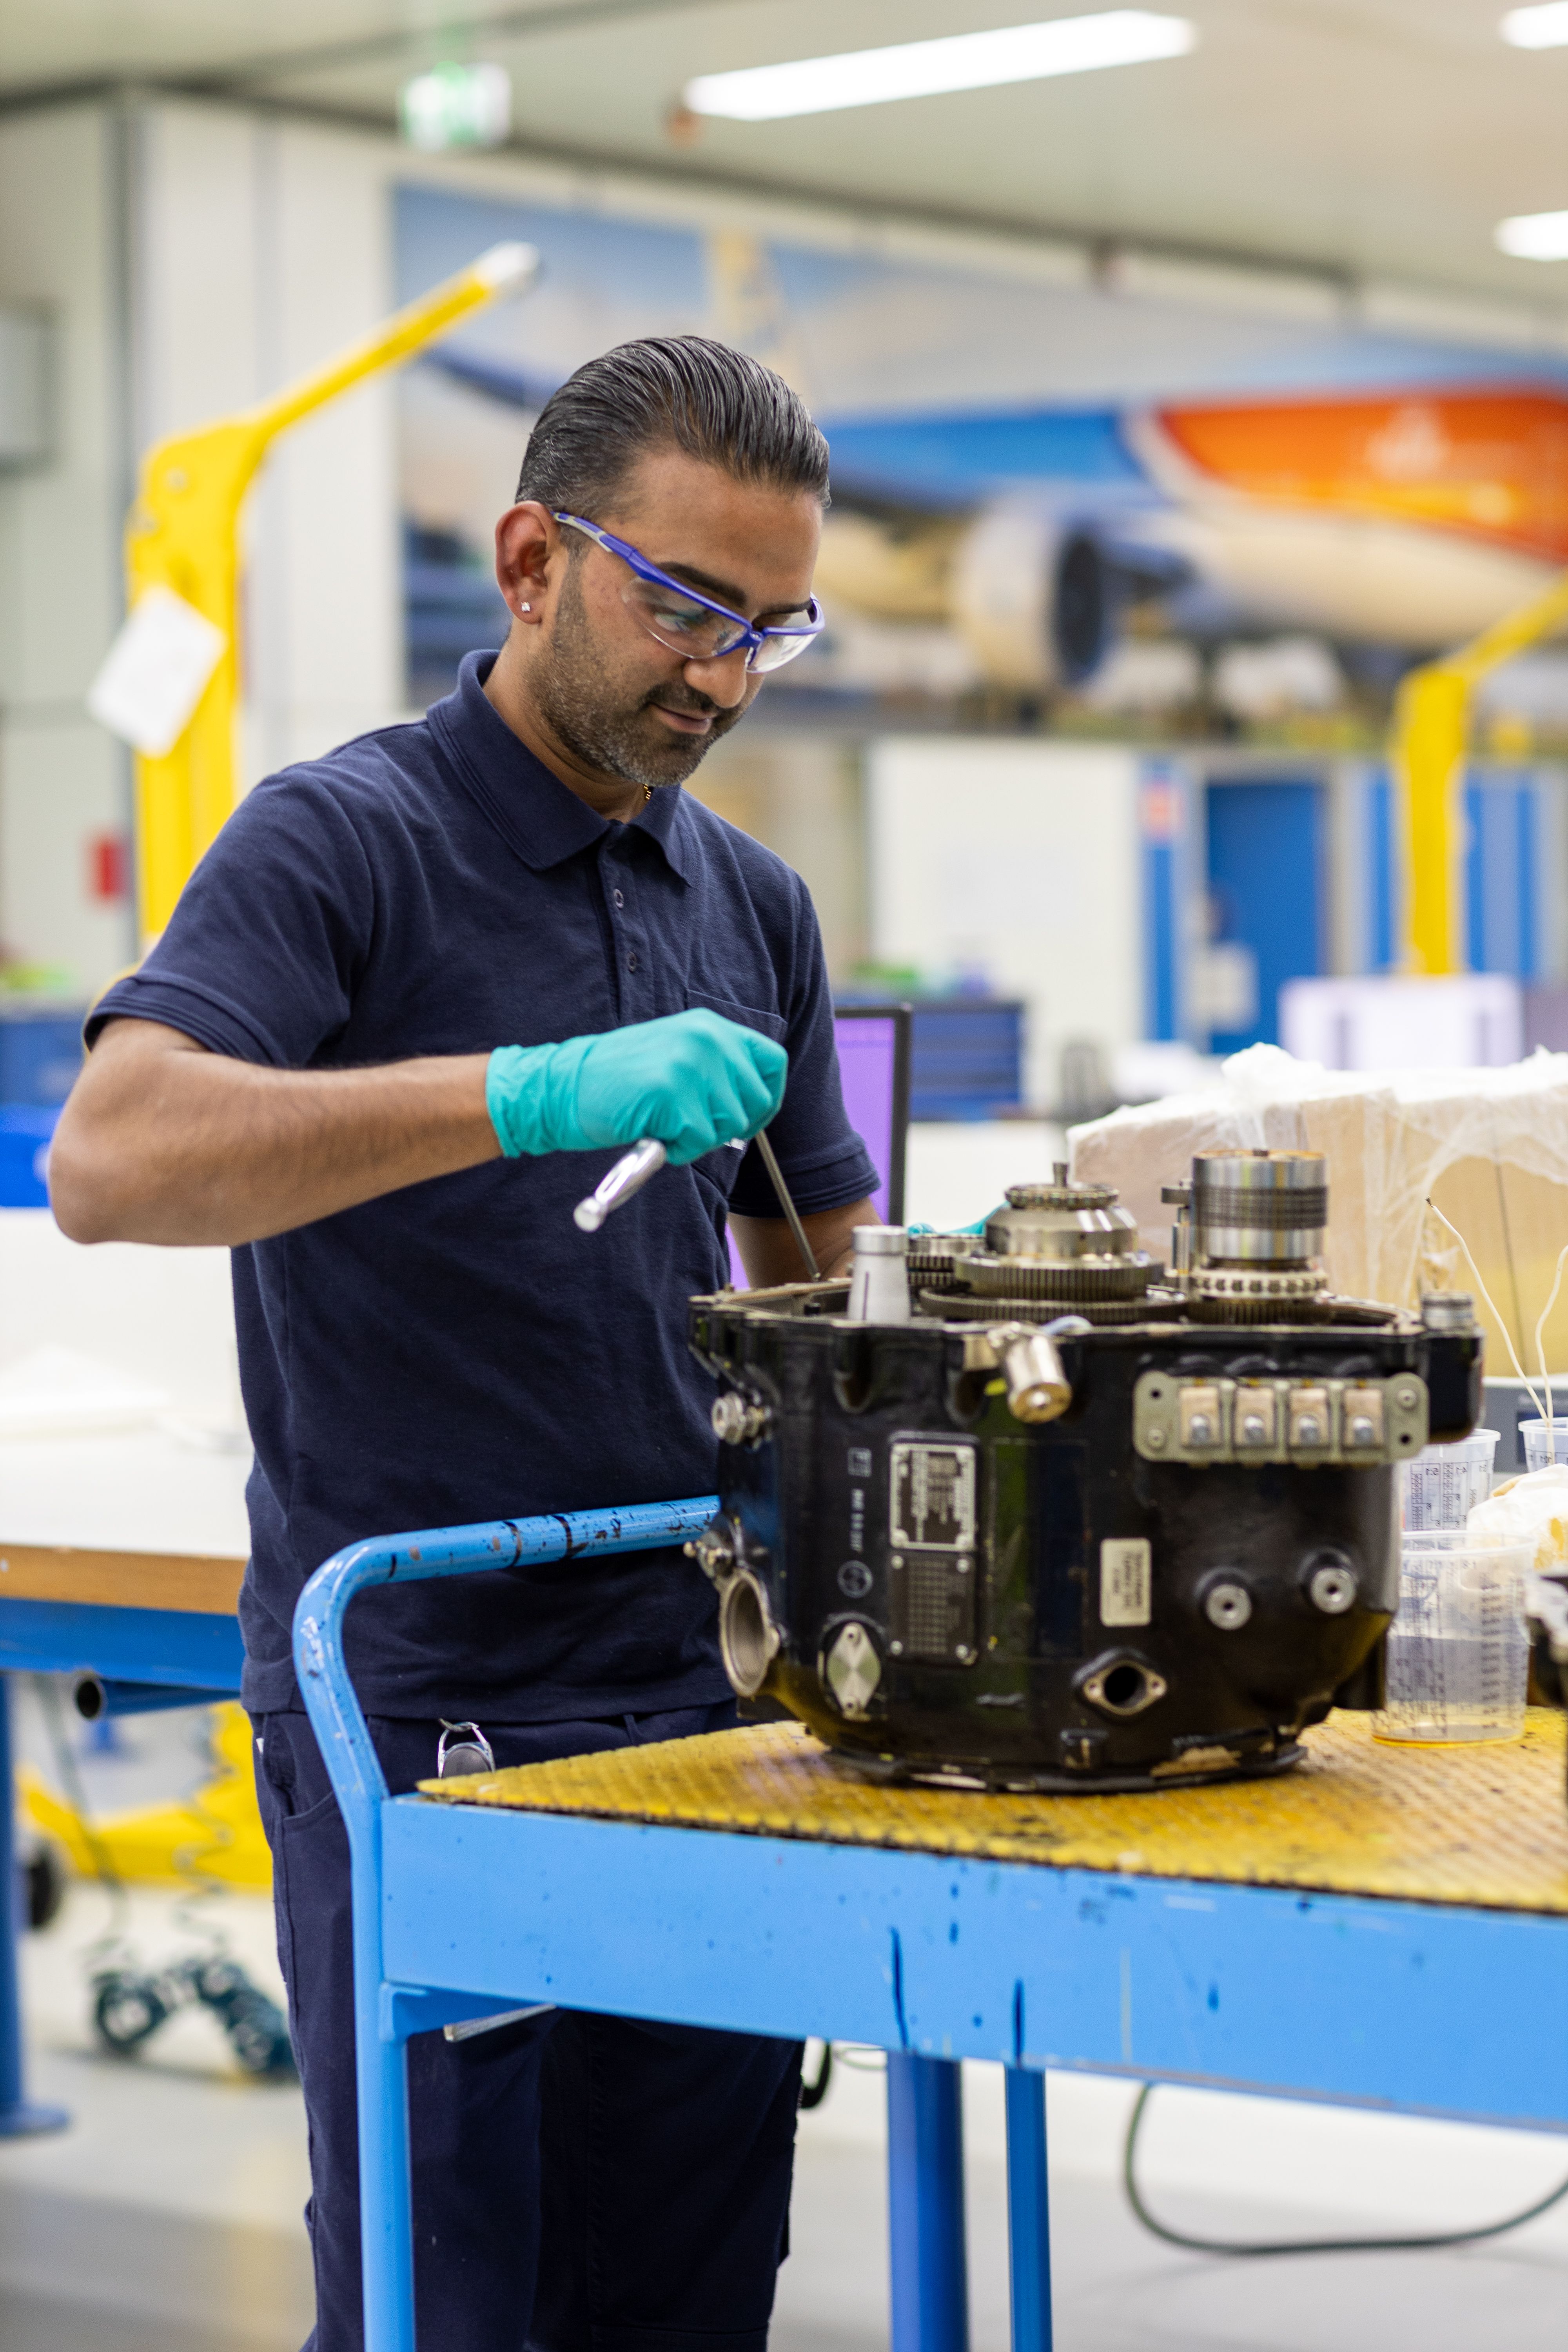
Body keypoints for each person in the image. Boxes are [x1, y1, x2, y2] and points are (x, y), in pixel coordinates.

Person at [50, 334, 880, 2352]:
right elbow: (115, 1158)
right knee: (462, 2290)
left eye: (771, 630)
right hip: (429, 1707)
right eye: (682, 604)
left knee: (686, 2279)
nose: (720, 673)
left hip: (703, 1694)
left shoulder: (748, 900)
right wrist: (517, 1094)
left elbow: (818, 1280)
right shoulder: (345, 842)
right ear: (528, 560)